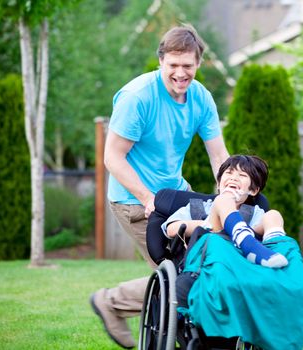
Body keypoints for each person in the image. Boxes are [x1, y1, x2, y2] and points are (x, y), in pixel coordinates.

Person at [89, 25, 229, 349]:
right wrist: (147, 198)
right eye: (173, 65)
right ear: (161, 61)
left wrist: (229, 195)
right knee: (179, 277)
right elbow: (112, 157)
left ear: (198, 64)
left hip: (177, 194)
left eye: (188, 66)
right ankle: (111, 303)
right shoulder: (138, 98)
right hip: (134, 199)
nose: (181, 73)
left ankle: (178, 325)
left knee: (201, 264)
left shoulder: (201, 98)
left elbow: (219, 155)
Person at [162, 155, 288, 269]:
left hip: (240, 263)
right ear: (218, 183)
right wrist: (209, 223)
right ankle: (242, 237)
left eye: (242, 175)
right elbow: (171, 229)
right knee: (223, 201)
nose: (234, 178)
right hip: (204, 261)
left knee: (273, 215)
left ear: (253, 190)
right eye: (229, 173)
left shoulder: (254, 213)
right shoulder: (198, 207)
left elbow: (260, 229)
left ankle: (278, 247)